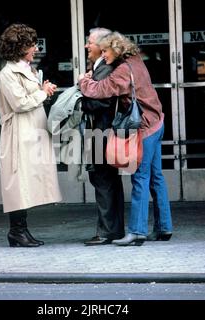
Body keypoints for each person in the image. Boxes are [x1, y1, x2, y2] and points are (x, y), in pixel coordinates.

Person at [78, 32, 172, 246]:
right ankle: (164, 226)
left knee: (140, 177)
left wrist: (83, 81)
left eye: (105, 51)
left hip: (146, 128)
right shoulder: (136, 61)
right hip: (158, 122)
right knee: (156, 177)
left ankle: (137, 231)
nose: (103, 55)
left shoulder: (122, 70)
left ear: (116, 49)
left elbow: (100, 90)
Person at [0, 23, 62, 247]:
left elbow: (30, 97)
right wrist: (42, 93)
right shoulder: (8, 73)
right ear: (20, 47)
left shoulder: (27, 69)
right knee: (17, 180)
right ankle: (17, 231)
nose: (35, 48)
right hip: (18, 131)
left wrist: (43, 90)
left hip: (32, 129)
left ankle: (21, 231)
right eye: (31, 45)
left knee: (26, 180)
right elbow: (19, 103)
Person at [81, 28, 125, 246]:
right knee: (107, 181)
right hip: (102, 132)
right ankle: (113, 229)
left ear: (101, 46)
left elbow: (100, 101)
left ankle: (107, 231)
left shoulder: (105, 69)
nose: (87, 46)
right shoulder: (99, 68)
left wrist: (82, 93)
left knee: (103, 180)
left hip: (102, 132)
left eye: (90, 42)